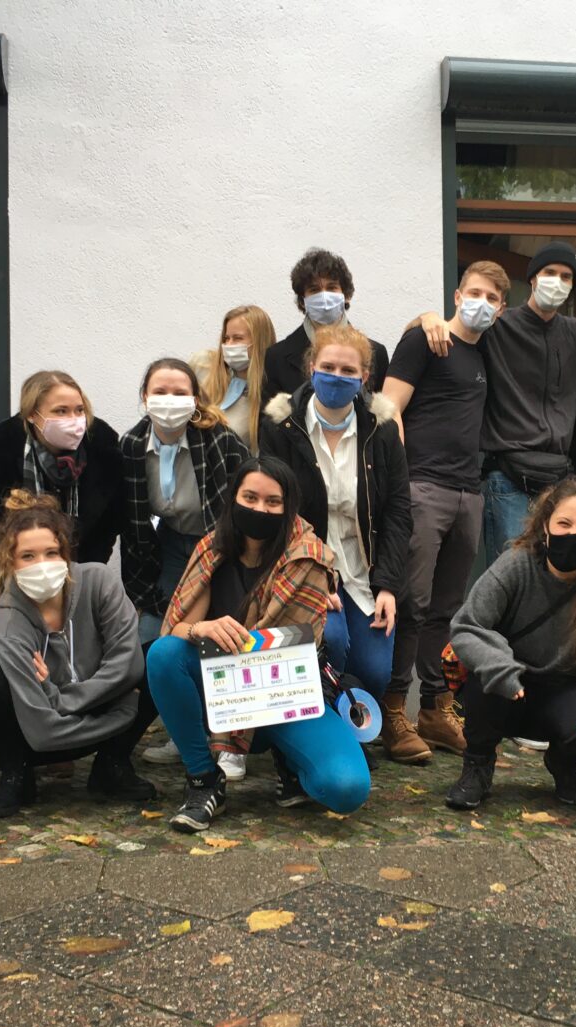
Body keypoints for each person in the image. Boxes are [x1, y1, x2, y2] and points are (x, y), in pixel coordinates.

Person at [414, 243, 576, 561]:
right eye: (550, 272)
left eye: (566, 277)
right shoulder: (498, 327)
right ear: (532, 278)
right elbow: (456, 331)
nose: (557, 281)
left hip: (559, 482)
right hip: (509, 479)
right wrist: (428, 318)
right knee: (512, 573)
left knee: (558, 576)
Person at [145, 457, 369, 832]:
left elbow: (290, 652)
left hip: (283, 695)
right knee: (163, 655)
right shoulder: (212, 550)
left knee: (347, 788)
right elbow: (176, 629)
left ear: (288, 506)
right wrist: (203, 628)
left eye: (272, 501)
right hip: (222, 692)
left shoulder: (308, 558)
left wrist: (232, 644)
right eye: (249, 497)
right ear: (233, 498)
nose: (259, 509)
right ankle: (203, 779)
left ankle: (291, 762)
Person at [444, 477, 576, 810]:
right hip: (508, 688)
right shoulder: (515, 565)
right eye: (564, 524)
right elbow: (468, 626)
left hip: (565, 693)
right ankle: (477, 764)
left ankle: (564, 761)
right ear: (545, 527)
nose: (573, 534)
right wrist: (500, 667)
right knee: (483, 677)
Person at [0, 491, 155, 817]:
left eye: (52, 552)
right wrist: (121, 716)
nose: (43, 565)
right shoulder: (9, 622)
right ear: (9, 562)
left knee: (156, 657)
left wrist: (58, 699)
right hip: (44, 738)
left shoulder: (99, 581)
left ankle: (112, 765)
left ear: (66, 553)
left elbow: (128, 666)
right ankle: (16, 772)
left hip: (84, 708)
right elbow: (43, 734)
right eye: (28, 556)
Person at [261, 326, 412, 759]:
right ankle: (322, 746)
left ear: (365, 377)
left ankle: (349, 731)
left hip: (365, 568)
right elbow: (275, 508)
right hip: (307, 562)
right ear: (311, 367)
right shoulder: (280, 424)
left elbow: (398, 510)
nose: (337, 376)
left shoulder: (382, 428)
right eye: (328, 366)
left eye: (348, 370)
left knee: (375, 671)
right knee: (332, 644)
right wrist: (312, 576)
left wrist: (388, 586)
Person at [380, 260, 508, 761]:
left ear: (502, 308)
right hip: (423, 487)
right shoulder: (425, 341)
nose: (481, 303)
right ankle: (394, 710)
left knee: (446, 609)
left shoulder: (487, 351)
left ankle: (435, 710)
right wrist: (401, 482)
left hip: (468, 492)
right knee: (410, 604)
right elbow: (389, 410)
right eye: (473, 293)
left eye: (491, 298)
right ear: (457, 296)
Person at [119, 358, 248, 778]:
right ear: (144, 397)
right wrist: (141, 592)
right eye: (160, 391)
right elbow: (132, 525)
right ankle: (184, 731)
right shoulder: (131, 445)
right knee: (155, 639)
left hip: (226, 546)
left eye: (180, 392)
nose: (169, 400)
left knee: (224, 635)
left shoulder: (220, 440)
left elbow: (250, 502)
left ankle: (232, 741)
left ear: (195, 399)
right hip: (173, 546)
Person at [0, 370, 123, 612]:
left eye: (79, 410)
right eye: (60, 411)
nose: (73, 420)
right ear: (32, 415)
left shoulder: (104, 454)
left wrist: (80, 577)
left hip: (77, 580)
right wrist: (3, 584)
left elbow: (107, 527)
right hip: (8, 583)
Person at [263, 248, 390, 402]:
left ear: (346, 295)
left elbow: (381, 412)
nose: (324, 296)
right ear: (303, 301)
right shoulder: (276, 357)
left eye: (331, 288)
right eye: (314, 289)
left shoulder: (376, 354)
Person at [191, 305, 274, 453]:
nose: (228, 345)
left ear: (259, 342)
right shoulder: (203, 365)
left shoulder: (267, 395)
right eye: (226, 338)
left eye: (238, 338)